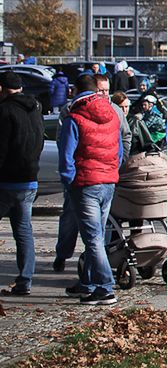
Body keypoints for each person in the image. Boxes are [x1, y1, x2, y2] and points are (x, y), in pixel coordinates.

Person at [58, 73, 123, 304]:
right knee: (96, 235)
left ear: (75, 91)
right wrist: (113, 171)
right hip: (108, 181)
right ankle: (89, 283)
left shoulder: (73, 118)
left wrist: (69, 180)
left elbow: (66, 156)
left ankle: (105, 287)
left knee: (93, 237)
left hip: (86, 183)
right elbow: (119, 151)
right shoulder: (113, 115)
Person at [0, 72, 44, 296]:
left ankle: (24, 280)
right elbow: (40, 139)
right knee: (24, 230)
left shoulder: (5, 111)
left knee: (22, 230)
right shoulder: (35, 107)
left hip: (7, 181)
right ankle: (25, 280)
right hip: (29, 179)